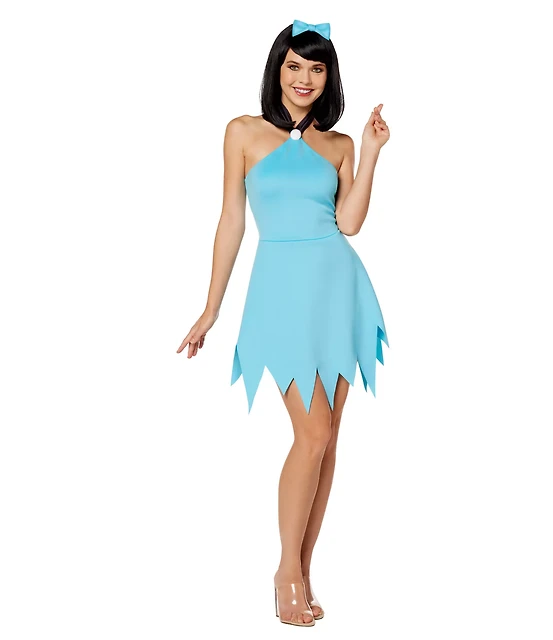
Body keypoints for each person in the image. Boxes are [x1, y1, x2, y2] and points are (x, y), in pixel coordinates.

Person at [177, 19, 390, 627]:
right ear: (277, 69)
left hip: (339, 290)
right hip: (280, 292)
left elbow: (350, 224)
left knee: (327, 440)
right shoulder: (243, 132)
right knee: (312, 433)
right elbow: (231, 221)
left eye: (317, 69)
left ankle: (303, 569)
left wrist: (371, 152)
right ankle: (285, 573)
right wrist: (211, 308)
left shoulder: (339, 144)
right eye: (295, 65)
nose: (304, 79)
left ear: (329, 78)